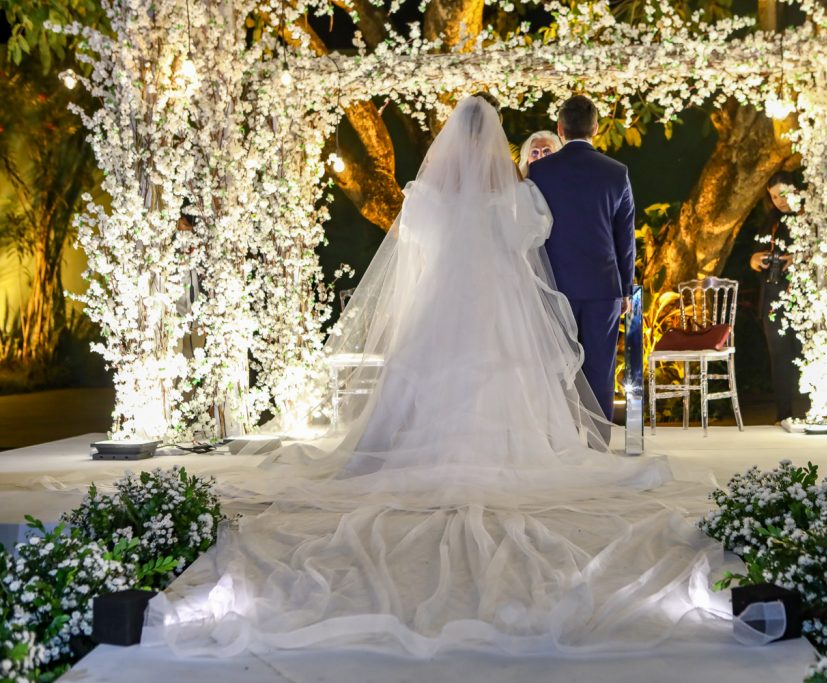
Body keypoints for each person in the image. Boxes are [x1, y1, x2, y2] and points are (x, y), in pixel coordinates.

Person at [144, 96, 726, 657]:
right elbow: (532, 236)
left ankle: (426, 446)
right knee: (506, 370)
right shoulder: (514, 191)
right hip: (497, 301)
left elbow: (417, 242)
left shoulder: (429, 194)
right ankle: (511, 447)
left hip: (442, 299)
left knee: (430, 370)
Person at [528, 95, 636, 422]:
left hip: (554, 285)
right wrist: (626, 289)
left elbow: (531, 230)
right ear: (596, 128)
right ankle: (598, 439)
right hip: (603, 286)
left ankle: (560, 435)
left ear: (560, 129)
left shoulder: (540, 172)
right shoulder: (616, 172)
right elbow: (625, 237)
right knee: (600, 368)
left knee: (556, 366)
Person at [749, 172, 803, 424]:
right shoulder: (770, 222)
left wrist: (797, 259)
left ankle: (814, 412)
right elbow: (754, 257)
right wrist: (756, 260)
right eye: (774, 197)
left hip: (803, 297)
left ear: (796, 190)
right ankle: (784, 415)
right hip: (772, 296)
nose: (780, 201)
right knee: (779, 357)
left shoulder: (809, 218)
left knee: (804, 354)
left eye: (783, 194)